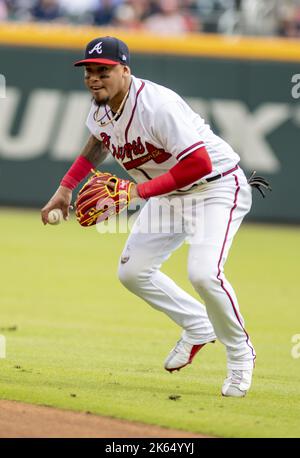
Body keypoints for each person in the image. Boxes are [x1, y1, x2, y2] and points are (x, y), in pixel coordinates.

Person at [41, 36, 256, 397]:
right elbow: (97, 143)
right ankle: (198, 324)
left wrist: (138, 192)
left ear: (125, 70)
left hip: (215, 189)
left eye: (104, 70)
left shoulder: (158, 106)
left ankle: (240, 355)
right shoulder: (100, 109)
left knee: (204, 274)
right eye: (89, 71)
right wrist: (65, 188)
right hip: (168, 194)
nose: (95, 78)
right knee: (132, 272)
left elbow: (199, 163)